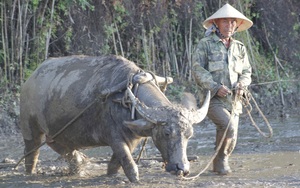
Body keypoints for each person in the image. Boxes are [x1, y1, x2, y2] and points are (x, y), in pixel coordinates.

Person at [192, 3, 252, 175]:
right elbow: (197, 69)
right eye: (225, 21)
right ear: (216, 23)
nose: (229, 25)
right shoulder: (205, 44)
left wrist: (242, 84)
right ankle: (221, 160)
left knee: (232, 139)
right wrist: (215, 87)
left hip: (235, 100)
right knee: (228, 126)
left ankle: (219, 165)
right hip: (212, 99)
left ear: (237, 25)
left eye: (232, 22)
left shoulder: (239, 47)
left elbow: (247, 71)